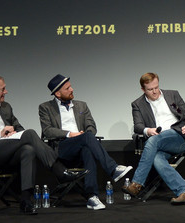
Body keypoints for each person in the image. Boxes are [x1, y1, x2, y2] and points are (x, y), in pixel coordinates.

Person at [0, 75, 86, 215]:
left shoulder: (6, 107)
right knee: (30, 133)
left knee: (28, 150)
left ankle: (26, 201)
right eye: (3, 89)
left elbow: (20, 129)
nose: (6, 92)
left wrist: (14, 133)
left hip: (8, 149)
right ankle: (60, 171)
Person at [39, 74, 132, 210]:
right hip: (63, 147)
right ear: (58, 93)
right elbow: (47, 130)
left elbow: (91, 126)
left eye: (70, 86)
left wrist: (83, 135)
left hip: (82, 144)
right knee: (87, 137)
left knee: (87, 145)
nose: (72, 89)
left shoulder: (82, 105)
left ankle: (92, 197)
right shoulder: (45, 107)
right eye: (67, 88)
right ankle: (113, 169)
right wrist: (71, 134)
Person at [122, 72, 185, 205]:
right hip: (157, 141)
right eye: (150, 89)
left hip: (177, 138)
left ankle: (137, 183)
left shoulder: (172, 94)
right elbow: (138, 126)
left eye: (156, 87)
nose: (155, 92)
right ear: (143, 90)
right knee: (156, 158)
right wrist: (148, 130)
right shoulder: (137, 104)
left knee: (153, 140)